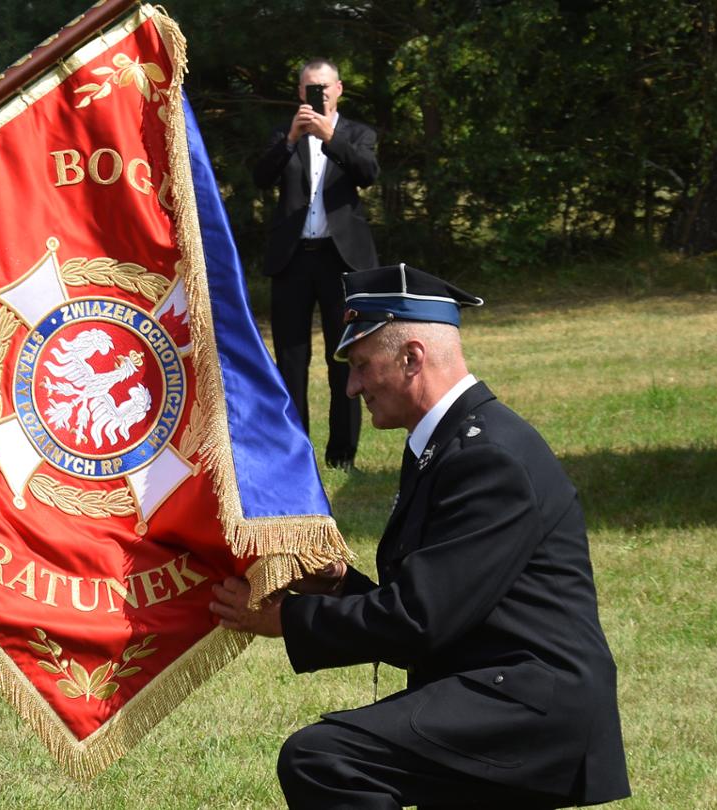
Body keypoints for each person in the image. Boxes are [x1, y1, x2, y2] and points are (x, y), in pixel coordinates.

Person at [209, 264, 629, 809]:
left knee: (324, 758)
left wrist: (283, 619)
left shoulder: (487, 457)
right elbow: (439, 604)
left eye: (360, 366)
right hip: (495, 689)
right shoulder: (451, 443)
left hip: (530, 708)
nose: (353, 386)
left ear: (412, 358)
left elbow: (419, 621)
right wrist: (337, 585)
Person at [252, 58, 379, 470]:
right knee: (291, 358)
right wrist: (292, 136)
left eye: (324, 87)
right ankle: (295, 451)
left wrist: (331, 137)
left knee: (344, 357)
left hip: (341, 262)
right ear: (299, 92)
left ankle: (342, 453)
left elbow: (367, 173)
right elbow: (260, 177)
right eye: (310, 88)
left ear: (339, 89)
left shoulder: (358, 133)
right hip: (293, 262)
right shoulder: (283, 135)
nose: (318, 95)